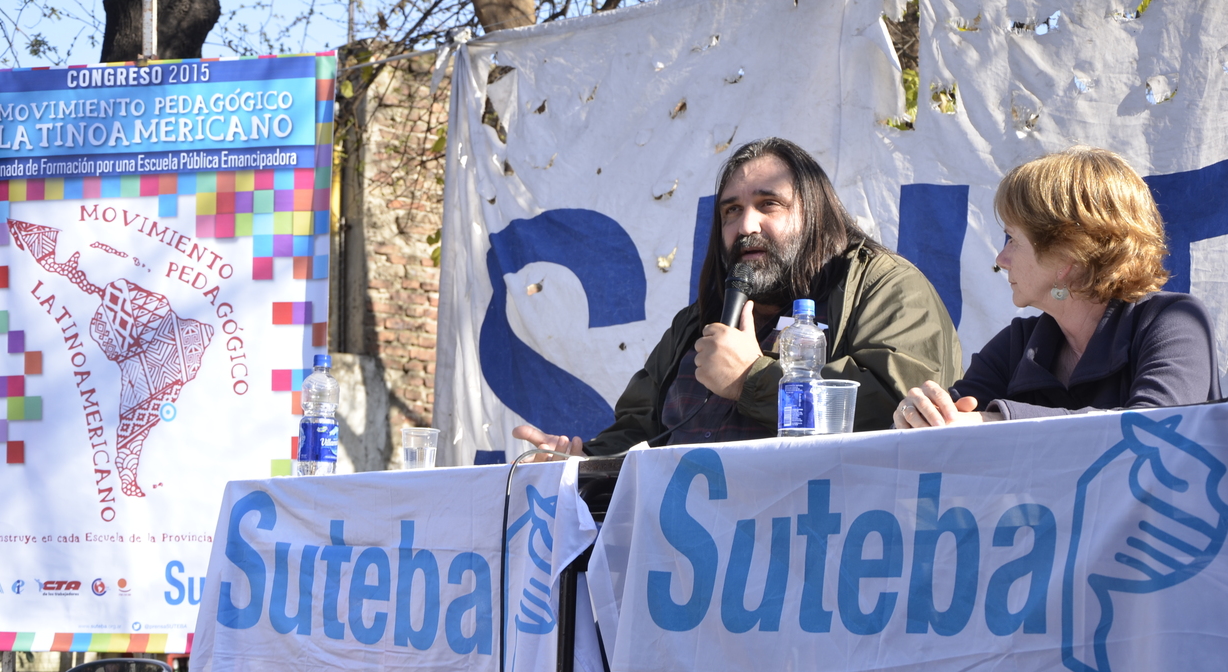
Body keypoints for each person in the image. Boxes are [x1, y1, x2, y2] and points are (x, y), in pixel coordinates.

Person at [514, 137, 963, 457]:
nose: (746, 225)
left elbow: (901, 408)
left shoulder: (884, 286)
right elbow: (637, 434)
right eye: (731, 210)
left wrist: (750, 380)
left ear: (815, 215)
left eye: (769, 204)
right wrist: (582, 462)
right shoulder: (696, 322)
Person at [894, 146, 1222, 429]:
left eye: (1013, 240)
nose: (1001, 259)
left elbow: (1152, 430)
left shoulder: (1174, 321)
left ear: (1067, 256)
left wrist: (993, 421)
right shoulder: (1016, 345)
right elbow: (949, 425)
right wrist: (919, 416)